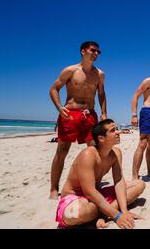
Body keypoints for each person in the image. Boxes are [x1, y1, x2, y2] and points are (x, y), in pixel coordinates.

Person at [55, 119, 145, 229]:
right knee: (74, 214)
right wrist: (117, 216)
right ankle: (107, 211)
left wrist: (125, 211)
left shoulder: (116, 153)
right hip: (76, 197)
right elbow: (89, 192)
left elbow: (119, 180)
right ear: (101, 138)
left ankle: (103, 213)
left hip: (96, 196)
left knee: (139, 184)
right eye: (113, 131)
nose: (118, 132)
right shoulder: (88, 154)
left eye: (116, 129)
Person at [49, 41, 107, 199]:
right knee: (62, 151)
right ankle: (54, 189)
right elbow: (54, 89)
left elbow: (101, 94)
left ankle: (93, 184)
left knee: (94, 150)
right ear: (83, 51)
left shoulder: (99, 74)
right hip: (70, 113)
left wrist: (103, 113)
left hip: (90, 114)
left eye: (98, 52)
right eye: (93, 50)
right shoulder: (70, 70)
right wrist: (59, 107)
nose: (96, 54)